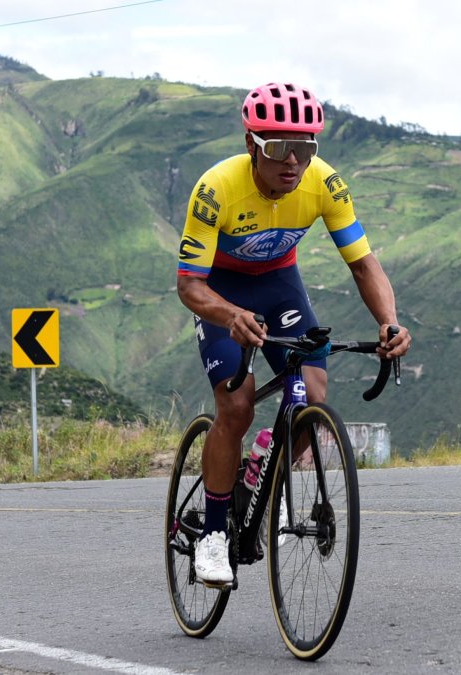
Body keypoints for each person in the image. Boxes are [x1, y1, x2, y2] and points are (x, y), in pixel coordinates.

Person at [176, 82, 411, 585]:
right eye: (280, 149)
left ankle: (264, 462)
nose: (293, 163)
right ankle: (213, 536)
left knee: (312, 395)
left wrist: (388, 321)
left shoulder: (324, 184)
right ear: (251, 146)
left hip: (280, 284)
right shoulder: (216, 188)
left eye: (305, 150)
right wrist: (227, 315)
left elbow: (364, 265)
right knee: (235, 406)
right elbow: (189, 285)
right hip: (220, 288)